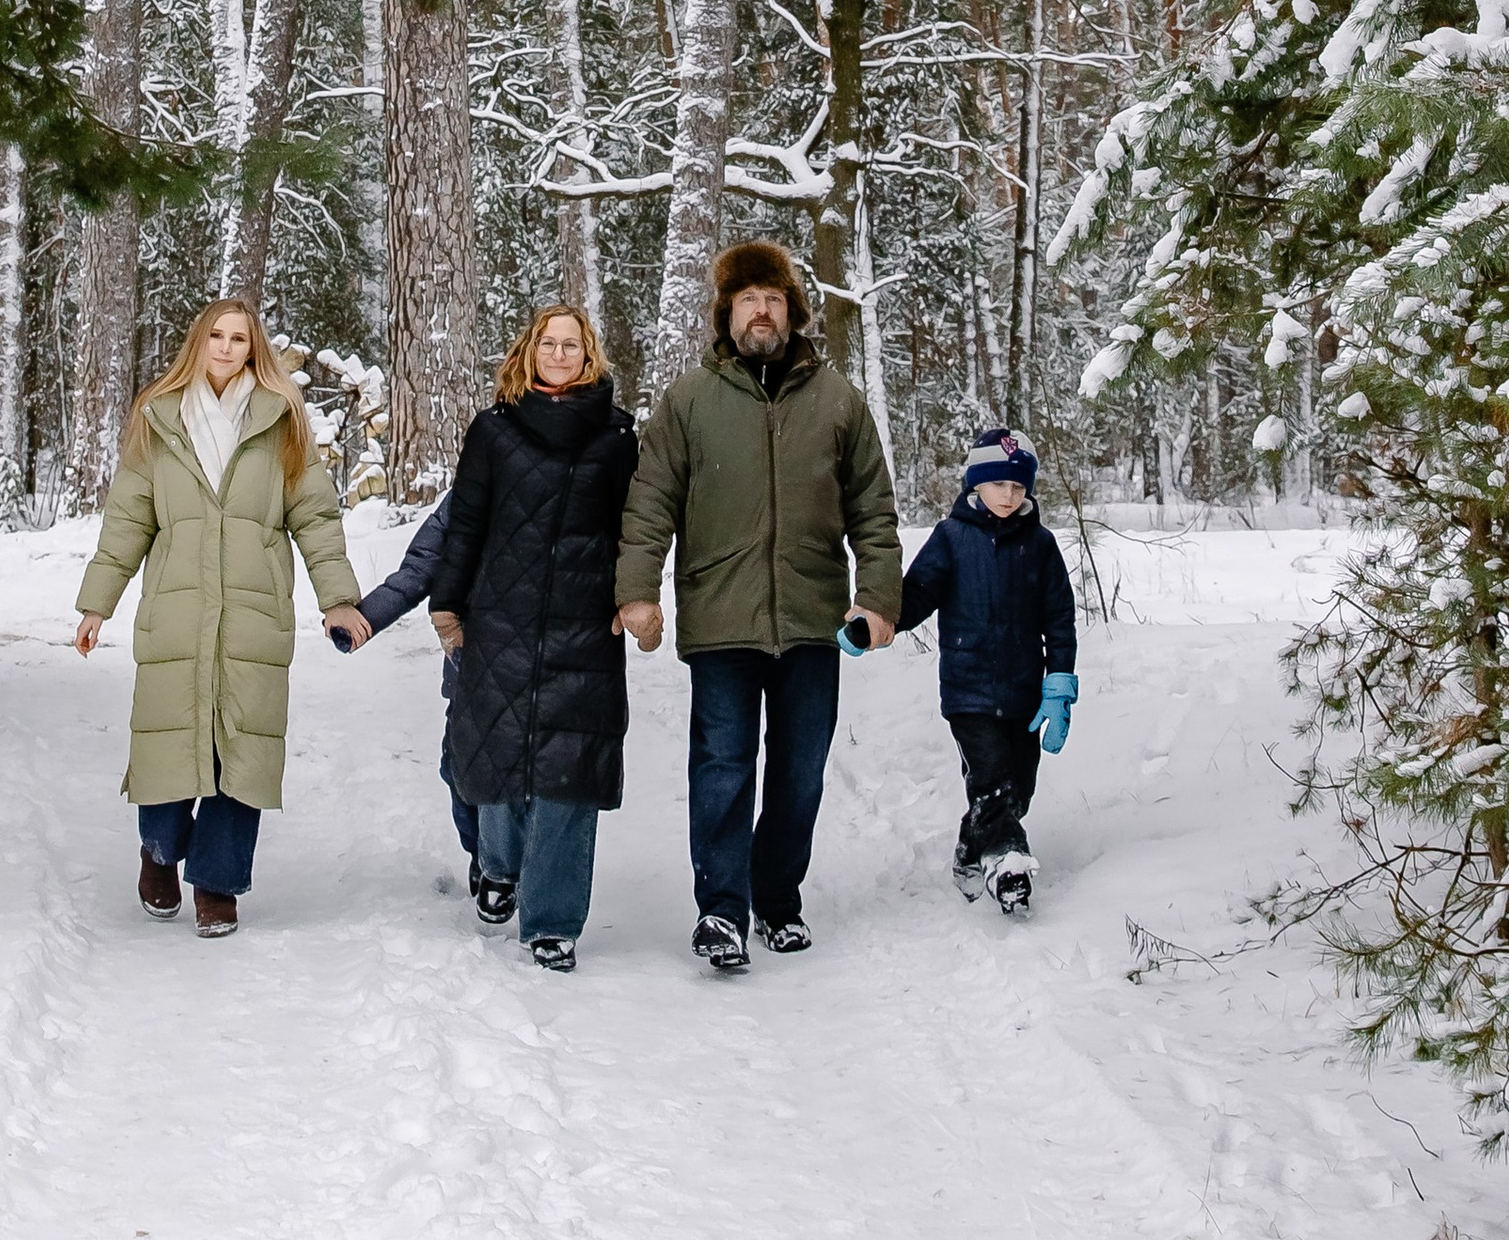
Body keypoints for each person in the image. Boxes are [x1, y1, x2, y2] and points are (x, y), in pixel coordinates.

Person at [616, 240, 900, 976]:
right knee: (722, 767)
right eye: (748, 300)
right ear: (726, 314)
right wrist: (637, 591)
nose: (762, 311)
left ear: (792, 311)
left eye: (773, 299)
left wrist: (877, 599)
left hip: (813, 618)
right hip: (721, 618)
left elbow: (874, 509)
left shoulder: (838, 401)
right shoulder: (688, 402)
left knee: (801, 770)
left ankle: (777, 898)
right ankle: (721, 908)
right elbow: (649, 506)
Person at [72, 298, 368, 936]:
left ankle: (218, 883)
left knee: (244, 748)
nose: (228, 347)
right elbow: (128, 518)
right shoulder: (160, 418)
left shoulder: (281, 421)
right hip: (176, 609)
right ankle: (158, 852)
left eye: (240, 338)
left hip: (254, 610)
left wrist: (338, 598)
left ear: (253, 348)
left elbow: (314, 515)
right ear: (197, 343)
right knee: (170, 738)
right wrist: (98, 602)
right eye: (217, 336)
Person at [426, 305, 638, 973]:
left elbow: (637, 527)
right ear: (528, 350)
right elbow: (466, 524)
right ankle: (497, 867)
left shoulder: (619, 435)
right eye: (548, 341)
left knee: (571, 769)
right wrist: (448, 605)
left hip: (585, 619)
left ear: (589, 355)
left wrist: (632, 594)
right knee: (498, 746)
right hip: (501, 612)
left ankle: (552, 919)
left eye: (571, 344)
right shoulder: (493, 430)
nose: (558, 352)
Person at [894, 424, 1078, 916]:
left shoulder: (1039, 544)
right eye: (999, 484)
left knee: (1019, 787)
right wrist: (877, 620)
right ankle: (1007, 863)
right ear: (976, 484)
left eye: (1019, 487)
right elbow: (918, 595)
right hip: (969, 691)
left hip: (1022, 692)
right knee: (991, 777)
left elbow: (1059, 618)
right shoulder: (951, 538)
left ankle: (971, 844)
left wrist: (1058, 684)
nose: (1009, 495)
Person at [348, 490, 489, 908]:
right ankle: (483, 856)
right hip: (472, 656)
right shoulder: (476, 479)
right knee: (459, 767)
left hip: (544, 658)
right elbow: (424, 561)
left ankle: (511, 866)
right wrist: (369, 616)